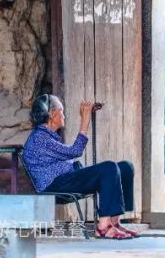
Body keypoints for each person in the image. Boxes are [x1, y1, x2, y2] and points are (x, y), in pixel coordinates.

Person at [22, 94, 138, 240]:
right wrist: (85, 120)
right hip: (55, 185)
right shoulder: (39, 137)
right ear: (52, 114)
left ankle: (114, 223)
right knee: (109, 168)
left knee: (126, 167)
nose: (64, 115)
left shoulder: (47, 136)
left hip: (66, 179)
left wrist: (89, 115)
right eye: (61, 111)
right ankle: (103, 227)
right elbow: (75, 151)